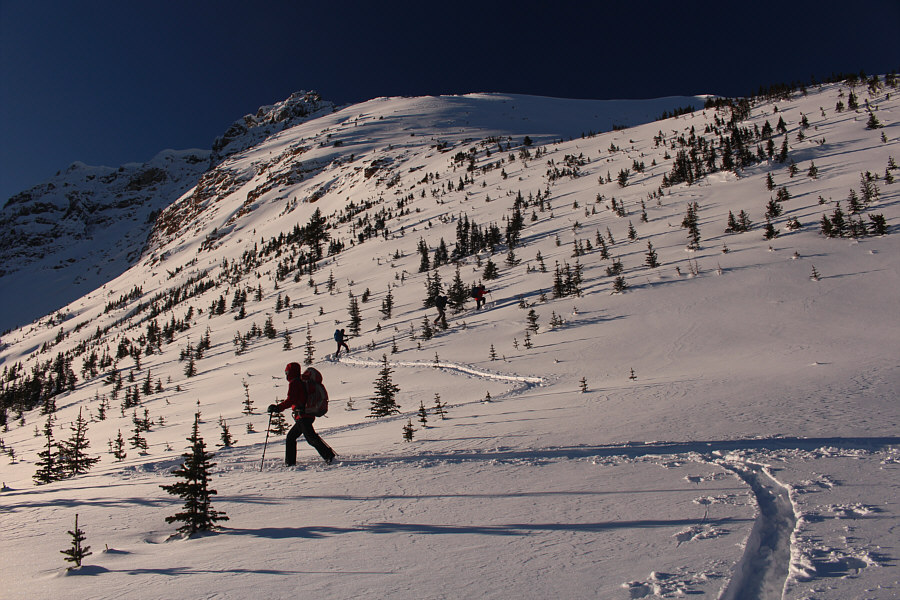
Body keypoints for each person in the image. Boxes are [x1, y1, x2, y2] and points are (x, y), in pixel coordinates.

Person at [268, 362, 336, 465]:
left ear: (290, 372)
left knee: (310, 438)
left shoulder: (295, 383)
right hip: (306, 414)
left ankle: (329, 456)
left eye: (287, 372)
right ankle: (290, 462)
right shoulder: (301, 381)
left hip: (303, 415)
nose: (286, 374)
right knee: (293, 437)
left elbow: (291, 399)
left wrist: (278, 408)